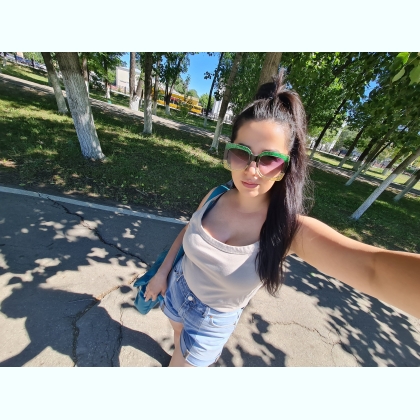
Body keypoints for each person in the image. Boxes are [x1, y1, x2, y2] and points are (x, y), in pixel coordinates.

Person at [144, 70, 420, 367]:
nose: (251, 171)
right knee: (177, 336)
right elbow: (188, 230)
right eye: (241, 153)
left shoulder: (288, 229)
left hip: (210, 323)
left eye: (269, 159)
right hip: (177, 289)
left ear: (287, 166)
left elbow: (372, 269)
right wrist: (162, 274)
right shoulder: (215, 195)